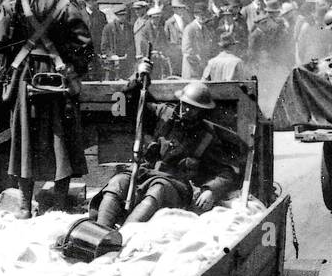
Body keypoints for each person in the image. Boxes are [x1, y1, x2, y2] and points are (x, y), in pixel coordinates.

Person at [0, 0, 95, 218]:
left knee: (25, 139)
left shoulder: (12, 3)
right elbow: (85, 47)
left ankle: (24, 206)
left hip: (25, 78)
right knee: (62, 139)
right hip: (58, 80)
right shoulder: (66, 5)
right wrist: (72, 68)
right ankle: (58, 206)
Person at [90, 69, 245, 228]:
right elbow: (130, 102)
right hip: (145, 173)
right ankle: (100, 231)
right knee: (118, 182)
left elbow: (227, 172)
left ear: (201, 111)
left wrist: (211, 190)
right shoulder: (163, 114)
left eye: (193, 108)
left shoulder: (207, 137)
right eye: (184, 104)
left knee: (158, 190)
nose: (186, 110)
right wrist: (138, 77)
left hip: (175, 184)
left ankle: (125, 233)